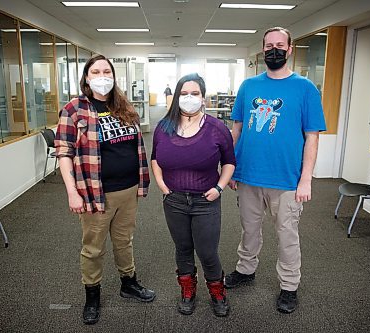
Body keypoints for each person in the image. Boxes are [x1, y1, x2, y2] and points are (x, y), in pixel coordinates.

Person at [225, 27, 326, 314]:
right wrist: (231, 168)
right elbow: (237, 130)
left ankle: (289, 286)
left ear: (290, 49)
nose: (274, 50)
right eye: (269, 45)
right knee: (249, 230)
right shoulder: (249, 86)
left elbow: (313, 137)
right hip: (248, 175)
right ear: (262, 49)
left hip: (287, 179)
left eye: (280, 45)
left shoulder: (305, 88)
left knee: (287, 235)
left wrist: (306, 179)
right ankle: (246, 270)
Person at [55, 55, 155, 325]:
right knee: (93, 248)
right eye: (96, 71)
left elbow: (134, 145)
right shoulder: (73, 109)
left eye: (106, 71)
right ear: (86, 77)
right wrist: (72, 192)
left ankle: (128, 282)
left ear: (113, 76)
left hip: (129, 189)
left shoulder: (123, 105)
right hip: (95, 193)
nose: (102, 76)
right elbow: (64, 153)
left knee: (124, 241)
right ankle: (92, 295)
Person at [151, 73, 236, 317]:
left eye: (195, 93)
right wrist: (161, 183)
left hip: (205, 201)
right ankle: (187, 291)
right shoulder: (164, 127)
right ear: (177, 96)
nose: (189, 98)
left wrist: (219, 187)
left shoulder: (217, 128)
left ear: (203, 98)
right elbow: (155, 158)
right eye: (184, 93)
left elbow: (229, 162)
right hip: (174, 200)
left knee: (208, 252)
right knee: (183, 248)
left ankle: (217, 293)